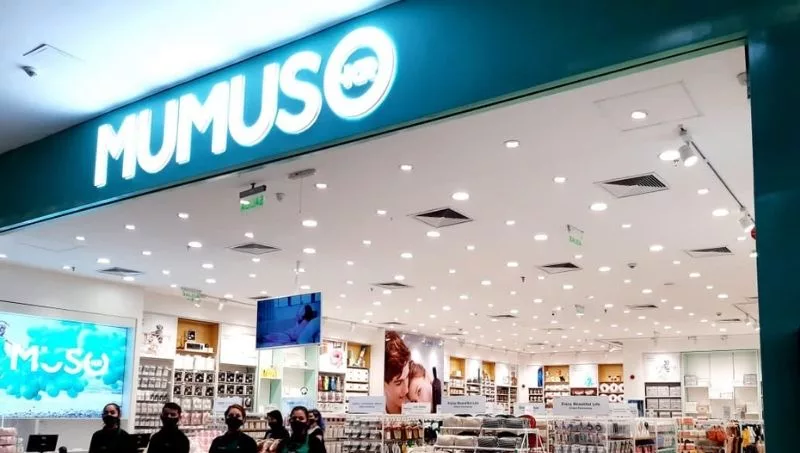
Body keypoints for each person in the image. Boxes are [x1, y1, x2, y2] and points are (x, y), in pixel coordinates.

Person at [384, 331, 410, 414]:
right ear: (383, 384)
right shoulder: (375, 415)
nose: (406, 390)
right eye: (398, 383)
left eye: (407, 377)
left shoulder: (415, 410)